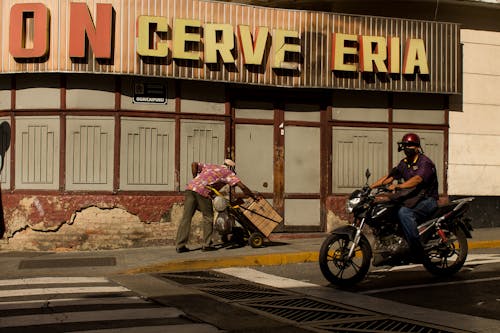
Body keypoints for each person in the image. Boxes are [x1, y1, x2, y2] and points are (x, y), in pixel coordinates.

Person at [370, 133, 439, 262]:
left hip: (428, 200)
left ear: (417, 147)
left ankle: (416, 250)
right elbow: (390, 177)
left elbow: (417, 179)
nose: (407, 147)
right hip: (413, 198)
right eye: (405, 145)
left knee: (404, 212)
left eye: (410, 145)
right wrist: (370, 187)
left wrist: (399, 186)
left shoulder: (425, 162)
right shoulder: (404, 163)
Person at [175, 159, 257, 253]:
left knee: (186, 218)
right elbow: (242, 186)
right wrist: (252, 196)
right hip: (203, 192)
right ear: (232, 168)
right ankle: (207, 244)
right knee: (208, 217)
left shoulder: (211, 166)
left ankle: (180, 245)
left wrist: (195, 178)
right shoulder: (228, 173)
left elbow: (194, 164)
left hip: (190, 189)